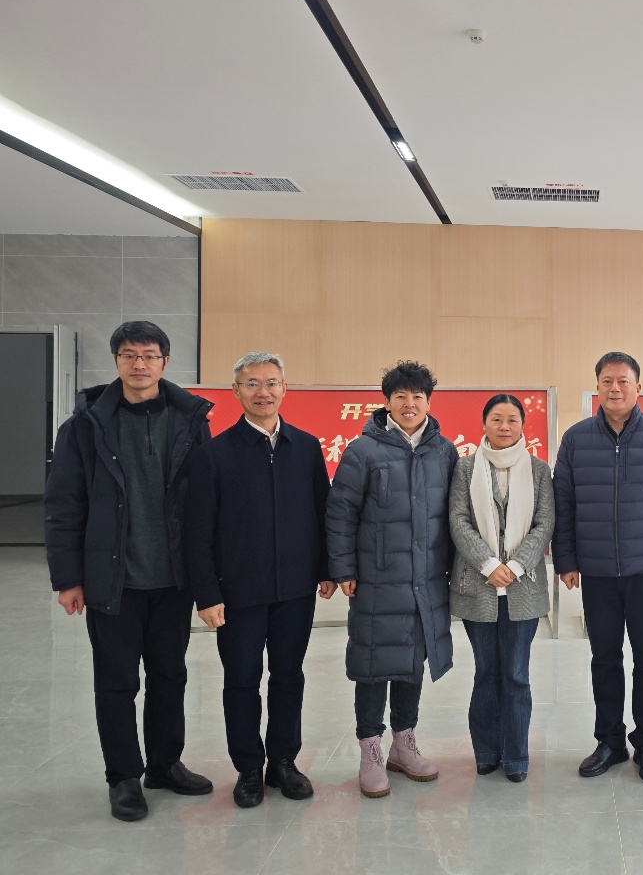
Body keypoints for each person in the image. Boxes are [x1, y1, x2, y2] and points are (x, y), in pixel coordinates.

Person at [44, 320, 214, 822]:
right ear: (116, 361)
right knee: (117, 682)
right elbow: (63, 505)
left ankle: (164, 764)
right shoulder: (85, 426)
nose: (139, 364)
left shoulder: (189, 420)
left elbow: (206, 502)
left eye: (149, 355)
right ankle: (123, 776)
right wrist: (67, 578)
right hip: (112, 579)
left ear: (165, 361)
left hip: (173, 578)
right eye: (129, 355)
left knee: (170, 676)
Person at [183, 352, 336, 808]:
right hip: (237, 594)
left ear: (284, 389)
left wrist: (326, 570)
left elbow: (322, 511)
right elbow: (197, 531)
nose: (262, 392)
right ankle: (248, 767)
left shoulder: (305, 447)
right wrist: (207, 593)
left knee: (289, 677)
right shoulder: (213, 454)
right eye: (252, 383)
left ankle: (283, 763)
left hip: (295, 590)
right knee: (241, 680)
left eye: (271, 383)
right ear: (236, 391)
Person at [553, 351, 643, 783]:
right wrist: (566, 559)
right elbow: (563, 503)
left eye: (623, 381)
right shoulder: (576, 439)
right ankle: (610, 741)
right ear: (597, 387)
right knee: (604, 658)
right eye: (607, 381)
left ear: (638, 387)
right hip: (596, 570)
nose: (615, 388)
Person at [326, 361, 458, 798]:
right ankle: (370, 751)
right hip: (376, 578)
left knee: (412, 662)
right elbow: (340, 513)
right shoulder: (363, 451)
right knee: (372, 665)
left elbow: (455, 516)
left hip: (426, 579)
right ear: (386, 401)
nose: (409, 404)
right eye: (401, 396)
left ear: (428, 403)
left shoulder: (444, 452)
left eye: (418, 396)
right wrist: (343, 568)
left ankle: (404, 744)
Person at [449, 394, 555, 783]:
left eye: (512, 419)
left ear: (523, 425)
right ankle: (487, 752)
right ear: (484, 424)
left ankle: (516, 756)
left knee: (516, 674)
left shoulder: (539, 470)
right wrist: (489, 565)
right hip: (477, 586)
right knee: (486, 673)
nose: (504, 426)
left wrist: (515, 565)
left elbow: (545, 522)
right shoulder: (465, 468)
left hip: (523, 587)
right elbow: (458, 519)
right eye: (497, 419)